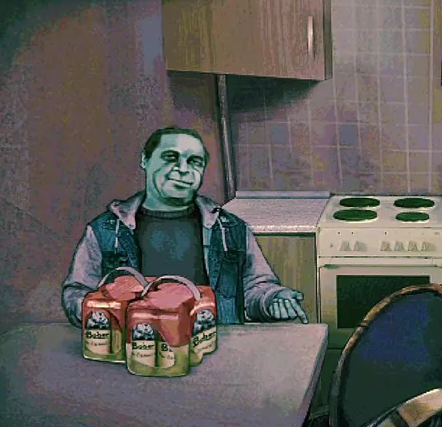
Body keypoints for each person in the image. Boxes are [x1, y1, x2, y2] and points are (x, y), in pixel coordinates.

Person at [61, 126, 309, 325]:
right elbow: (77, 292)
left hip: (214, 350)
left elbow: (256, 288)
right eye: (171, 158)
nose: (183, 169)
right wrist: (98, 311)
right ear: (145, 160)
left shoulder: (231, 229)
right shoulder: (106, 230)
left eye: (194, 162)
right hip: (136, 354)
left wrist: (273, 299)